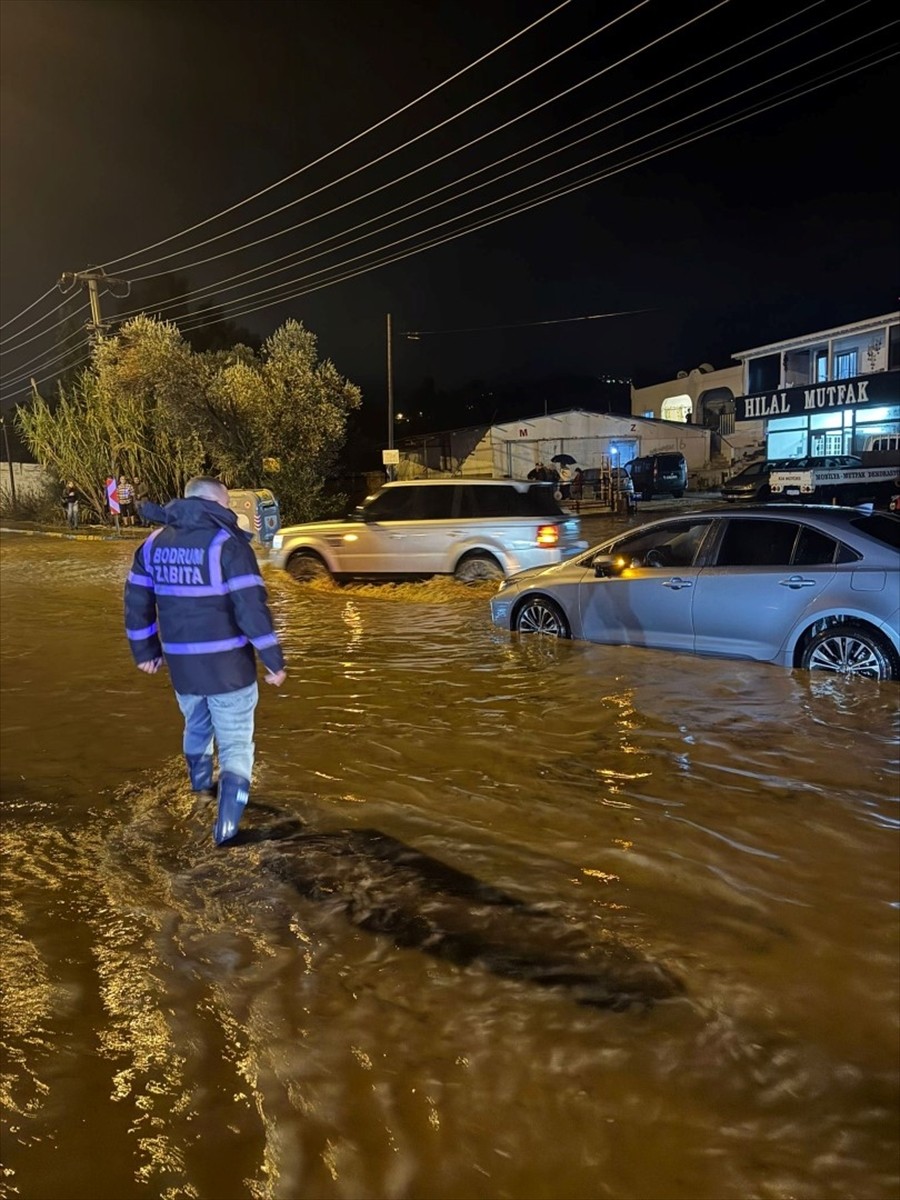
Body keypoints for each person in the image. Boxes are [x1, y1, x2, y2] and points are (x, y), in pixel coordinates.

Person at [124, 476, 286, 845]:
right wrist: (273, 660)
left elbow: (135, 604)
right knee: (236, 747)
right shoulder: (227, 545)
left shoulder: (151, 544)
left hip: (183, 669)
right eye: (227, 504)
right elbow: (251, 609)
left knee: (196, 728)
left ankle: (200, 795)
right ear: (217, 503)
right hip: (228, 669)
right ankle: (226, 833)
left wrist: (145, 651)